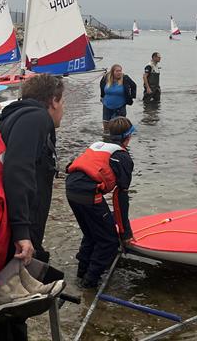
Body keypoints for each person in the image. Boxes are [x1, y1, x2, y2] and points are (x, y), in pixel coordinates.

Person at [0, 74, 64, 339]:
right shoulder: (35, 119)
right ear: (53, 101)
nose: (63, 110)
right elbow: (17, 172)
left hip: (3, 223)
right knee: (7, 308)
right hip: (12, 231)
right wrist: (23, 233)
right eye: (63, 102)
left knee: (8, 307)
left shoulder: (13, 116)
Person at [65, 117, 135, 288]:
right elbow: (120, 198)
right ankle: (90, 283)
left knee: (91, 233)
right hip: (88, 193)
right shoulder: (123, 158)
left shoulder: (96, 146)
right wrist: (125, 233)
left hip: (70, 189)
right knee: (109, 241)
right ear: (129, 137)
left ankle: (81, 273)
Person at [99, 64, 136, 133]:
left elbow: (134, 86)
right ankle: (106, 140)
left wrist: (131, 97)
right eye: (117, 71)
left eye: (120, 71)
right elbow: (102, 86)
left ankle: (119, 140)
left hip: (120, 106)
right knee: (106, 128)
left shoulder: (125, 78)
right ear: (113, 72)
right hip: (107, 105)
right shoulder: (106, 77)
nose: (119, 73)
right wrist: (102, 96)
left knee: (119, 127)